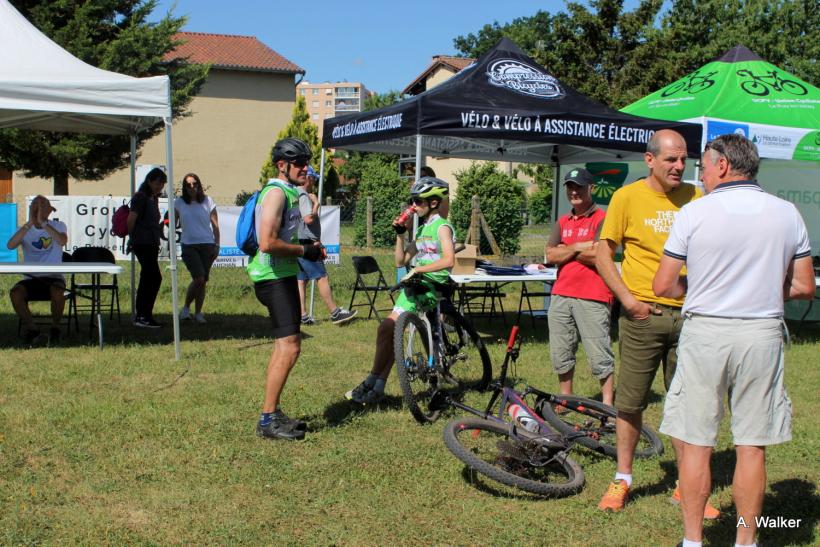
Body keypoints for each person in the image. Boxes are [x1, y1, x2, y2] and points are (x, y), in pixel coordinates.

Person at [653, 134, 814, 547]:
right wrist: (759, 289)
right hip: (761, 333)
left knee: (696, 443)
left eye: (703, 167)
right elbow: (802, 287)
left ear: (722, 165)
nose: (700, 175)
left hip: (707, 331)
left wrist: (704, 287)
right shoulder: (787, 213)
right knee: (751, 445)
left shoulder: (694, 212)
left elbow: (664, 284)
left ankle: (692, 541)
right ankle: (746, 541)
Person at [594, 129, 718, 517]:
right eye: (671, 159)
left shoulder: (697, 196)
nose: (680, 166)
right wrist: (629, 302)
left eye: (684, 159)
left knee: (689, 405)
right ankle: (623, 477)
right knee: (630, 402)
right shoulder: (626, 197)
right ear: (649, 160)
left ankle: (688, 485)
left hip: (691, 317)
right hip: (644, 317)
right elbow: (603, 252)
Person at [345, 177, 455, 404]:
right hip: (416, 282)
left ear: (433, 202)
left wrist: (419, 269)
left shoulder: (442, 227)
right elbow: (400, 260)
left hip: (432, 285)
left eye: (418, 201)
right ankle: (376, 382)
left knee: (403, 331)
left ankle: (372, 383)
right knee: (386, 329)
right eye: (412, 200)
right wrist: (400, 235)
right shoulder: (423, 229)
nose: (413, 205)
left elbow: (449, 260)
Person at [250, 138, 324, 441]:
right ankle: (267, 420)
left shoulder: (288, 193)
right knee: (290, 345)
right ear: (282, 165)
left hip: (282, 273)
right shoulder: (276, 194)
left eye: (306, 162)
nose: (306, 168)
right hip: (272, 276)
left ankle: (273, 411)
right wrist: (303, 252)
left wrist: (304, 246)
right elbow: (267, 242)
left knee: (286, 345)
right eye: (300, 163)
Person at [546, 168, 614, 406]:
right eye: (570, 187)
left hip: (593, 295)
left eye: (579, 187)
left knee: (599, 352)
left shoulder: (603, 218)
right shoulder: (562, 221)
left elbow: (598, 256)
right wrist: (578, 247)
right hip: (561, 293)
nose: (574, 191)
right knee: (561, 350)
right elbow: (550, 255)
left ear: (590, 189)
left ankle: (607, 404)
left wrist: (567, 249)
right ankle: (566, 400)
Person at [296, 166, 357, 326]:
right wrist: (315, 204)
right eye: (313, 178)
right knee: (322, 277)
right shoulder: (303, 194)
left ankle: (301, 315)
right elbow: (308, 219)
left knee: (301, 280)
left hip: (301, 242)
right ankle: (335, 313)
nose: (315, 181)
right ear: (307, 177)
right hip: (308, 244)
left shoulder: (297, 193)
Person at [6, 195, 68, 345]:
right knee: (16, 293)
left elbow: (62, 241)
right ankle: (33, 329)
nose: (38, 209)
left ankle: (55, 328)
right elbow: (10, 245)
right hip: (31, 278)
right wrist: (30, 224)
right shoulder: (24, 229)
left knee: (58, 292)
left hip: (54, 277)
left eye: (42, 206)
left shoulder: (59, 226)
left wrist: (44, 223)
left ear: (49, 210)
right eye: (35, 206)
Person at [174, 172, 220, 323]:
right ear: (184, 188)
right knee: (199, 278)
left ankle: (198, 313)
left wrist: (217, 245)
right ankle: (186, 308)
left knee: (203, 280)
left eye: (195, 184)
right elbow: (172, 222)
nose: (192, 187)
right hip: (189, 245)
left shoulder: (208, 201)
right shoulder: (179, 203)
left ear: (199, 185)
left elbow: (215, 225)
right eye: (188, 185)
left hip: (207, 245)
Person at [127, 167, 167, 328]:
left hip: (151, 243)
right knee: (153, 277)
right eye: (158, 183)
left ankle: (145, 314)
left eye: (162, 184)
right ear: (149, 181)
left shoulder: (152, 198)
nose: (160, 187)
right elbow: (131, 220)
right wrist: (133, 237)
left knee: (149, 277)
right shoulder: (140, 197)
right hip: (141, 243)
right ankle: (142, 315)